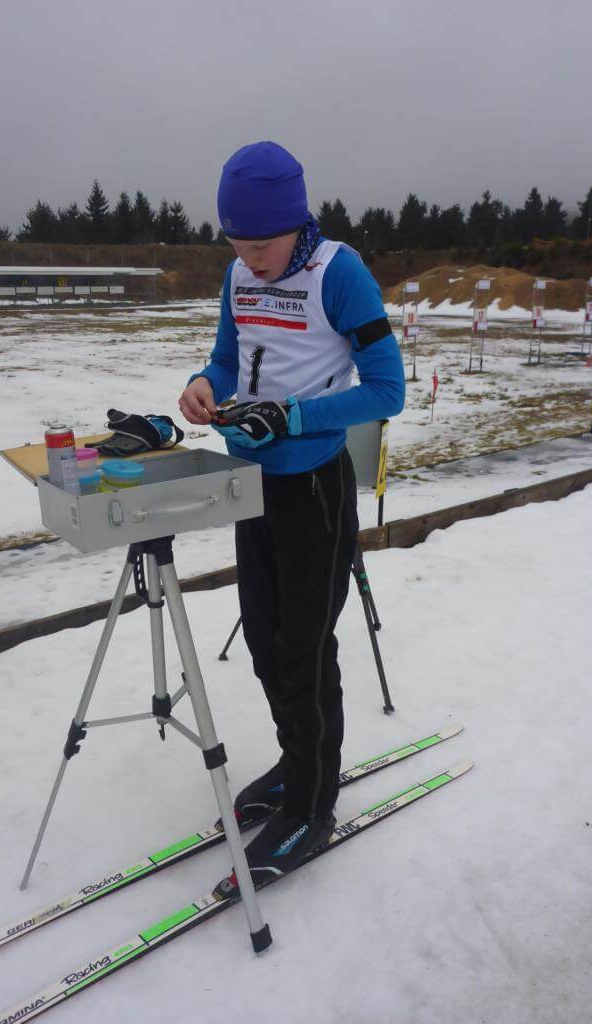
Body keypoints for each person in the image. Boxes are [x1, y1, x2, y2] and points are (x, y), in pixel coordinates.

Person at [178, 141, 405, 883]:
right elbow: (227, 358)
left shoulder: (340, 273)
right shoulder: (238, 275)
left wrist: (294, 417)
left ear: (297, 224)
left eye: (263, 244)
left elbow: (388, 390)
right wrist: (203, 386)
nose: (251, 258)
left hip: (314, 487)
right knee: (265, 642)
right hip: (254, 483)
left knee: (304, 649)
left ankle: (312, 801)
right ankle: (294, 763)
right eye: (236, 243)